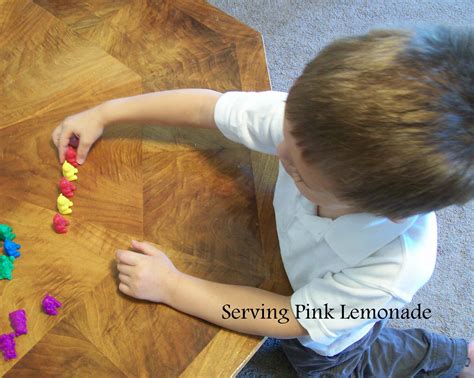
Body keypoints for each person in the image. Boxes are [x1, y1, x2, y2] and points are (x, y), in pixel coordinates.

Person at [51, 26, 473, 377]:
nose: (280, 152)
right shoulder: (309, 128)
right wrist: (105, 113)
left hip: (331, 346)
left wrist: (173, 286)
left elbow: (285, 320)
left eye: (296, 172)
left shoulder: (392, 268)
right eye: (283, 139)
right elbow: (207, 109)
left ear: (383, 211)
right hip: (311, 285)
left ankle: (454, 357)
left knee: (369, 357)